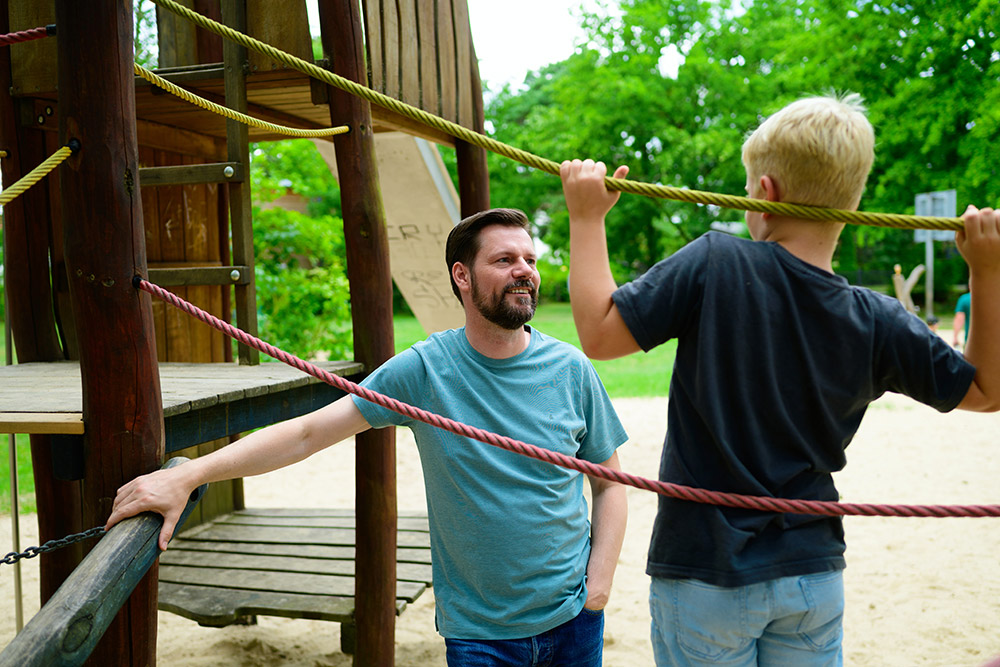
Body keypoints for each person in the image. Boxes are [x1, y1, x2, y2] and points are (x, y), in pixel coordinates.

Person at [559, 93, 1000, 666]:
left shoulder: (715, 262)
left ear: (764, 194)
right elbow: (986, 391)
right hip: (811, 575)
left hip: (705, 573)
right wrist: (987, 272)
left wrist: (586, 218)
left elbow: (599, 333)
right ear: (853, 200)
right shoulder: (876, 318)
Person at [107, 208, 629, 666]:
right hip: (481, 637)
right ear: (462, 276)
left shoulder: (570, 369)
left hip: (575, 619)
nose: (524, 271)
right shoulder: (426, 369)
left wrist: (599, 588)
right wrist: (191, 475)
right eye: (505, 260)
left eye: (530, 259)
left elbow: (610, 484)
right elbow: (308, 432)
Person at [953, 281, 972, 347]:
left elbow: (959, 319)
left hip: (971, 342)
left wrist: (955, 337)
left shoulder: (965, 299)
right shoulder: (994, 298)